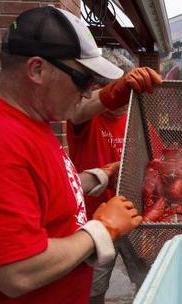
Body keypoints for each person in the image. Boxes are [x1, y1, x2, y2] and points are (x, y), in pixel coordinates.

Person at [0, 7, 143, 303]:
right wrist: (100, 230)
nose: (88, 91)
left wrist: (95, 177)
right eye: (83, 79)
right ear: (37, 69)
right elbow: (15, 272)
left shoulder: (35, 121)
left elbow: (36, 192)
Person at [67, 52, 162, 304]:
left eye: (127, 91)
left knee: (149, 282)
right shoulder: (85, 119)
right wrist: (114, 91)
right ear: (99, 88)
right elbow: (78, 111)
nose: (123, 99)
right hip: (96, 222)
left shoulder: (139, 123)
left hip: (136, 223)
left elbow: (160, 165)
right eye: (118, 90)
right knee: (93, 291)